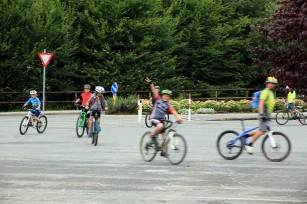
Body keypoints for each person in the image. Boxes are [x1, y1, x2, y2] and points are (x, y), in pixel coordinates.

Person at [145, 78, 184, 157]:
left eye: (168, 96)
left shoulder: (168, 105)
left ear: (169, 98)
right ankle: (152, 136)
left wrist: (179, 118)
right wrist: (151, 83)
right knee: (161, 126)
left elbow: (174, 112)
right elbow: (153, 91)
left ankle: (163, 151)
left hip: (161, 120)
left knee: (165, 135)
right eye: (165, 95)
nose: (166, 97)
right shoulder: (158, 99)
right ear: (162, 95)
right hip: (154, 118)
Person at [245, 77, 278, 154]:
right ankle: (249, 145)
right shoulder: (265, 92)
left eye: (274, 84)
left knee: (262, 131)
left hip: (267, 114)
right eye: (272, 83)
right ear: (267, 83)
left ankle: (246, 136)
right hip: (264, 112)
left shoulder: (270, 92)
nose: (273, 85)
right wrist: (261, 114)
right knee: (262, 130)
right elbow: (261, 102)